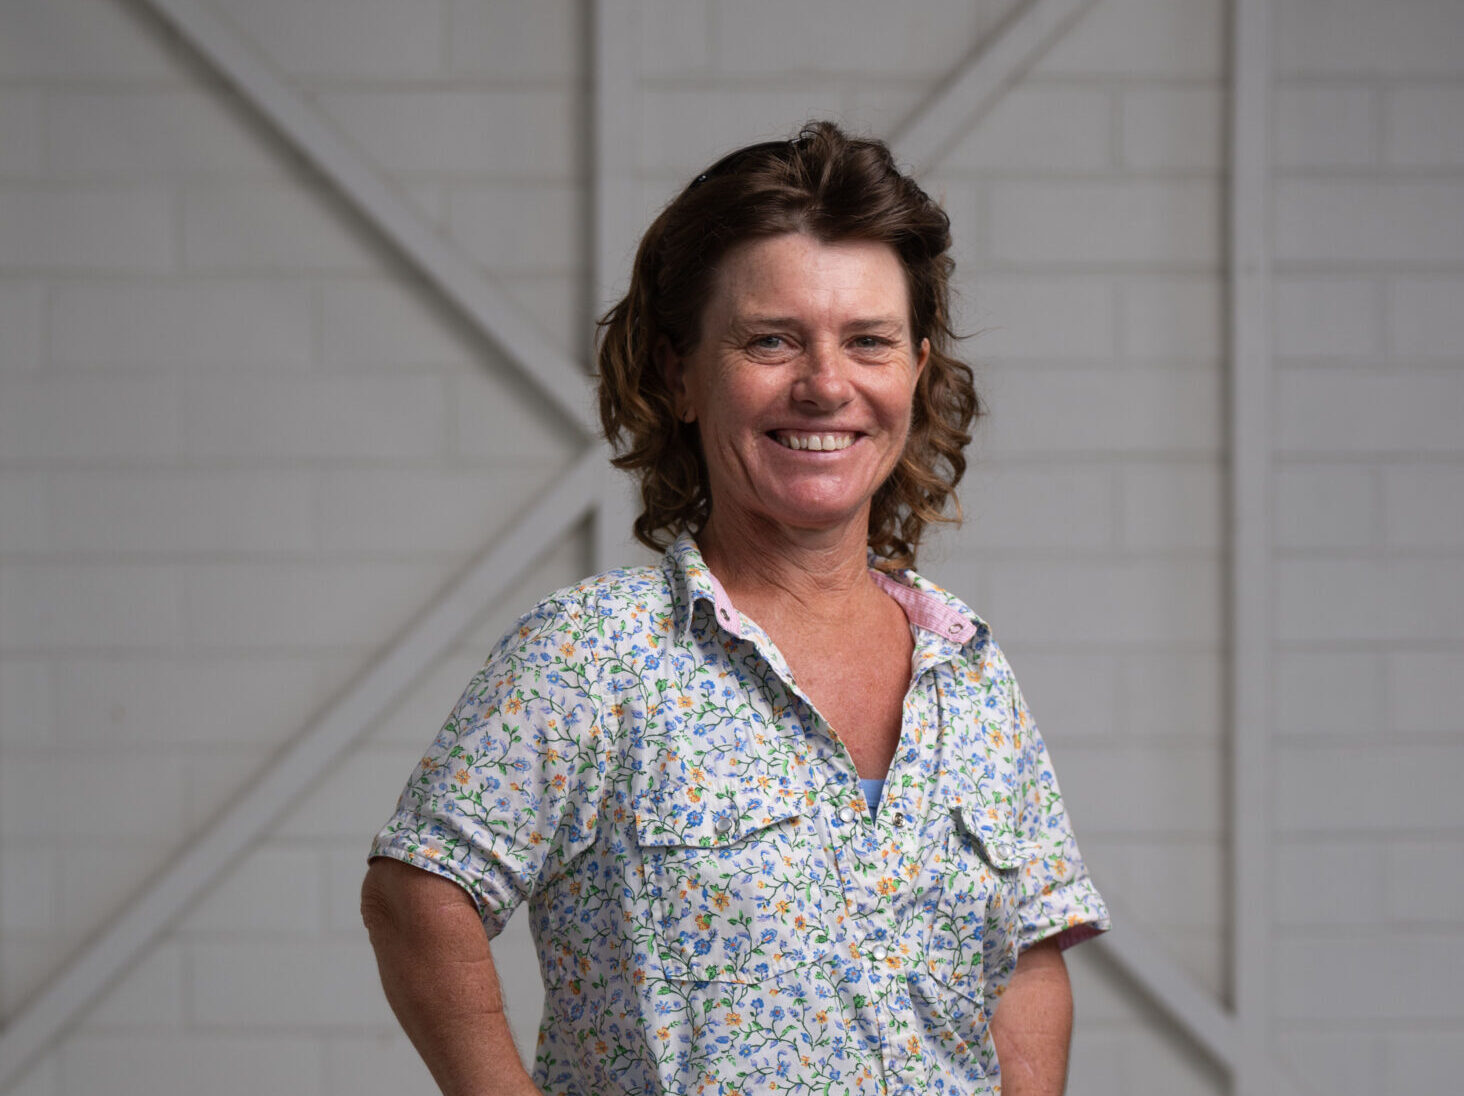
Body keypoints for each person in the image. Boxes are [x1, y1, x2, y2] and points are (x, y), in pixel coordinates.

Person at [362, 120, 1108, 1096]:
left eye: (868, 342)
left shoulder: (967, 668)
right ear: (679, 375)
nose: (825, 384)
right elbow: (416, 892)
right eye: (770, 340)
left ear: (915, 374)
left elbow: (1027, 962)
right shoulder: (594, 656)